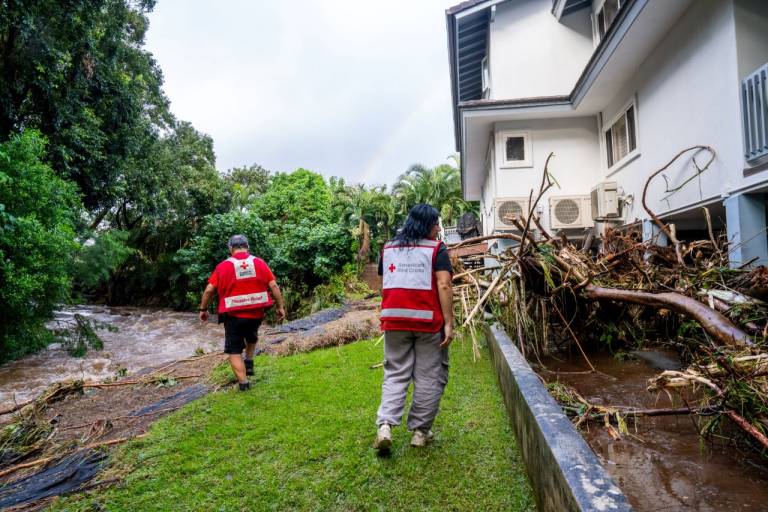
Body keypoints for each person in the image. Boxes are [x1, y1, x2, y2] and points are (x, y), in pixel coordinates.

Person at [374, 204, 454, 450]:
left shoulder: (388, 248)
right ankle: (420, 432)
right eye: (436, 223)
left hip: (394, 320)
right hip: (428, 323)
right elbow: (444, 285)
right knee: (430, 375)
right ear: (427, 225)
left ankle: (385, 425)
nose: (439, 228)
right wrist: (449, 322)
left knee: (395, 373)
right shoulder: (436, 249)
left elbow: (383, 282)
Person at [198, 234, 286, 391]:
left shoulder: (223, 266)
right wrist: (280, 307)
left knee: (234, 349)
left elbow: (209, 290)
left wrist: (203, 309)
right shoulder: (259, 262)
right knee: (251, 336)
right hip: (256, 313)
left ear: (230, 248)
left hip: (233, 316)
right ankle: (249, 362)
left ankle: (244, 384)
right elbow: (273, 286)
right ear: (247, 247)